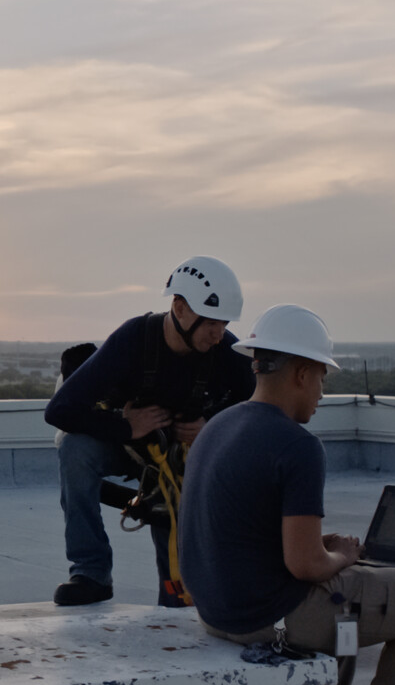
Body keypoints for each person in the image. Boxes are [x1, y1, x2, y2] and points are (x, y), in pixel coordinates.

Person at [179, 304, 395, 685]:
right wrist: (342, 556)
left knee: (347, 596)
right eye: (322, 378)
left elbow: (240, 531)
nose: (321, 393)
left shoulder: (217, 426)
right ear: (302, 373)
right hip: (268, 620)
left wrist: (324, 549)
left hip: (217, 615)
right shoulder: (298, 445)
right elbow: (306, 566)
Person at [44, 256, 255, 607]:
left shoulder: (226, 353)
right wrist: (125, 426)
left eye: (224, 323)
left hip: (180, 463)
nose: (219, 334)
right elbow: (59, 410)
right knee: (75, 450)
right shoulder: (134, 340)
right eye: (211, 323)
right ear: (180, 308)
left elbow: (258, 410)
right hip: (126, 447)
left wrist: (210, 426)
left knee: (179, 581)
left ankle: (178, 596)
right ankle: (91, 573)